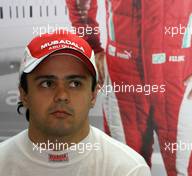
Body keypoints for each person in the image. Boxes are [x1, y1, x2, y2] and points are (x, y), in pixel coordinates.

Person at [66, 0, 192, 175]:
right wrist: (91, 46)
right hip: (123, 79)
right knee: (124, 170)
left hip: (181, 80)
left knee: (188, 171)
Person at [0, 31, 151, 176]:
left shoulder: (128, 169)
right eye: (47, 83)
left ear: (93, 95)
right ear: (24, 94)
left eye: (75, 84)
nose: (62, 95)